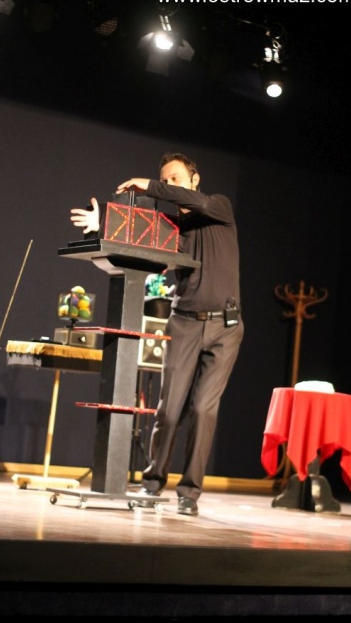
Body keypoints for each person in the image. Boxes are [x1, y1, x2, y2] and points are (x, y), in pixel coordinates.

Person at [70, 152, 244, 516]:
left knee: (203, 410)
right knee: (169, 409)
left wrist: (150, 186)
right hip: (184, 322)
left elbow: (193, 202)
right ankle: (153, 481)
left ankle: (189, 493)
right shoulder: (169, 226)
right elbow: (132, 235)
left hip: (225, 328)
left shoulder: (218, 206)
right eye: (165, 180)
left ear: (194, 180)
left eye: (175, 179)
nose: (170, 185)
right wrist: (103, 225)